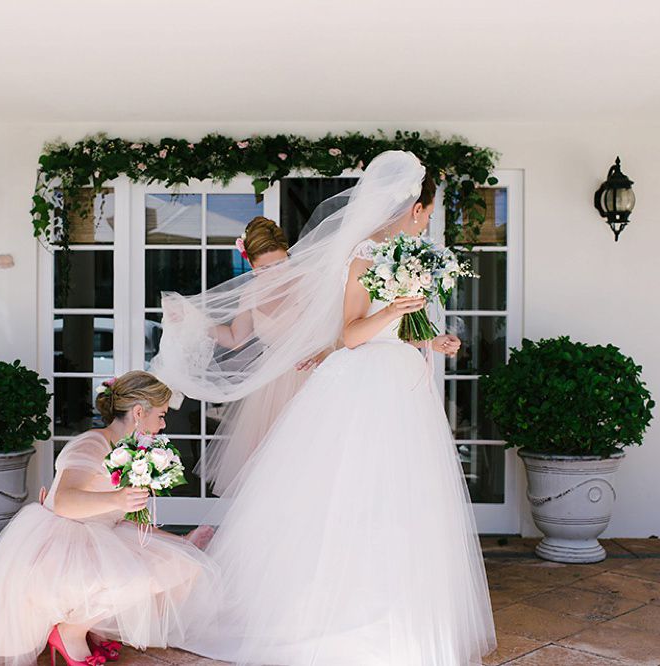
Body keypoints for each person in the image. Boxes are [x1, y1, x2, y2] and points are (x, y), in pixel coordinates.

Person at [170, 151, 496, 665]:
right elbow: (351, 334)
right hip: (365, 385)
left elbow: (396, 328)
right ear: (413, 206)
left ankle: (398, 615)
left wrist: (432, 340)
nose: (428, 219)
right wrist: (394, 309)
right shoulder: (364, 254)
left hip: (402, 382)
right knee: (350, 493)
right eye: (427, 211)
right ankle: (338, 614)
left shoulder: (408, 254)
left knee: (400, 499)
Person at [0, 371, 221, 666]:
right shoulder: (92, 444)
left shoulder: (131, 448)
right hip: (63, 540)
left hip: (102, 532)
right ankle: (70, 633)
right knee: (131, 576)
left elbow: (117, 518)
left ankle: (95, 627)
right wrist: (117, 498)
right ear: (139, 412)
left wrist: (177, 540)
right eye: (161, 415)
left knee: (182, 567)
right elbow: (62, 501)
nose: (163, 424)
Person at [161, 216, 327, 495]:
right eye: (265, 268)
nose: (275, 273)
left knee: (312, 458)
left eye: (280, 263)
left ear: (288, 254)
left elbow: (334, 329)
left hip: (312, 377)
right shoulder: (251, 292)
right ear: (250, 265)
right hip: (272, 385)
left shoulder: (312, 282)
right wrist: (193, 321)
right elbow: (236, 339)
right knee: (270, 467)